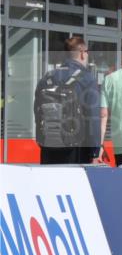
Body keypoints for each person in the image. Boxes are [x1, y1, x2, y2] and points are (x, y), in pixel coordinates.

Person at [33, 36, 102, 165]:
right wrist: (94, 152)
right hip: (76, 150)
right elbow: (93, 118)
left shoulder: (46, 78)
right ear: (82, 53)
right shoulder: (88, 79)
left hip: (48, 146)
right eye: (87, 52)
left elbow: (37, 113)